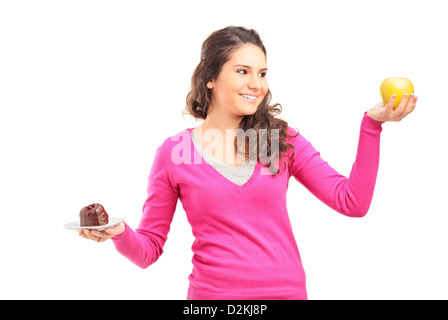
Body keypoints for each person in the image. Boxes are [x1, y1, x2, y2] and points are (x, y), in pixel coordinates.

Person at [79, 26, 417, 299]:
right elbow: (149, 250)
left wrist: (372, 126)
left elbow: (352, 202)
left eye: (263, 73)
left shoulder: (283, 142)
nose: (256, 84)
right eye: (243, 71)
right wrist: (120, 233)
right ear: (210, 77)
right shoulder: (173, 153)